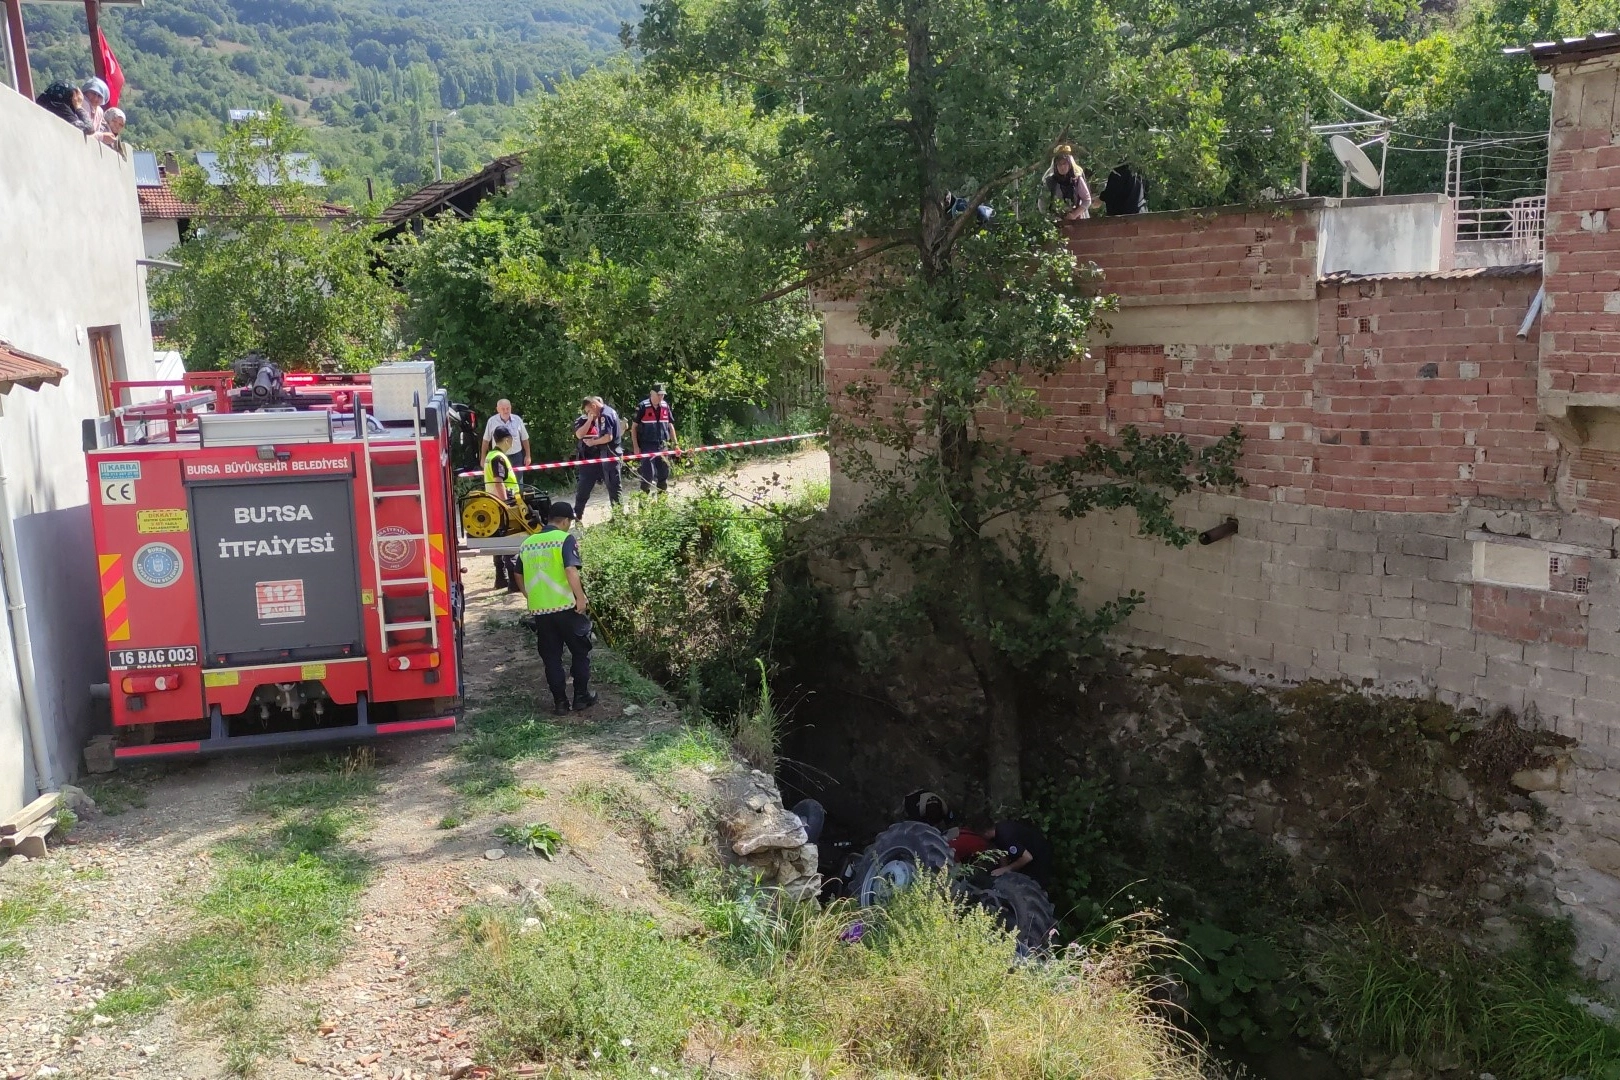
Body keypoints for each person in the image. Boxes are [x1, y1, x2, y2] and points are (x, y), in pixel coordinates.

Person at [517, 502, 597, 715]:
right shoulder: (564, 539)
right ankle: (581, 697)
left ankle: (560, 703)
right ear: (564, 521)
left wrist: (529, 594)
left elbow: (517, 573)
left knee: (551, 657)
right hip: (567, 607)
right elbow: (570, 569)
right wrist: (581, 598)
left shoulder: (528, 543)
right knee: (580, 651)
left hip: (542, 612)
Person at [483, 426, 523, 593]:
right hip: (503, 503)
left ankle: (501, 578)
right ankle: (513, 583)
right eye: (511, 439)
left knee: (499, 541)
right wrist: (507, 504)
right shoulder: (498, 458)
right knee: (510, 542)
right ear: (507, 440)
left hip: (493, 503)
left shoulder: (490, 456)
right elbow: (499, 481)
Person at [572, 396, 622, 522]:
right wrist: (589, 420)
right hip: (589, 460)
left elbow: (609, 436)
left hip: (605, 457)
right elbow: (579, 435)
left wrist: (594, 442)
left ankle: (618, 516)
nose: (590, 413)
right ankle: (577, 515)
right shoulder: (583, 420)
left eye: (590, 410)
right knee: (583, 489)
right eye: (587, 411)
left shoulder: (605, 415)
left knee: (613, 487)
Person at [966, 820, 1053, 886]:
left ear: (985, 832)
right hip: (1031, 853)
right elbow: (1002, 852)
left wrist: (1007, 869)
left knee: (1031, 885)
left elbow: (1027, 857)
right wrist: (1002, 870)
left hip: (1039, 859)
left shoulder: (1005, 837)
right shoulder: (998, 831)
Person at [631, 383, 681, 495]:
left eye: (663, 395)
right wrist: (636, 446)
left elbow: (670, 426)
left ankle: (661, 505)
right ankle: (643, 506)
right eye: (659, 394)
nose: (661, 397)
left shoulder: (665, 406)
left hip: (663, 445)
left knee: (664, 474)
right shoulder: (642, 406)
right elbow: (633, 428)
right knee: (648, 475)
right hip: (647, 445)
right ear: (652, 393)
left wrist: (676, 444)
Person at [1040, 145, 1092, 221]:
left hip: (1077, 222)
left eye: (1065, 163)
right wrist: (1056, 219)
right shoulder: (1050, 182)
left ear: (1069, 164)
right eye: (1059, 164)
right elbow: (1042, 206)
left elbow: (1087, 200)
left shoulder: (1076, 179)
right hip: (1056, 224)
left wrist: (1074, 215)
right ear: (1055, 166)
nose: (1062, 167)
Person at [480, 399, 531, 468]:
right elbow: (486, 441)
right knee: (499, 478)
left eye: (508, 408)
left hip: (516, 457)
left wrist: (528, 456)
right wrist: (483, 458)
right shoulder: (492, 421)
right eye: (503, 409)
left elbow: (525, 438)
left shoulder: (517, 420)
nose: (506, 411)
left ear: (511, 408)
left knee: (516, 479)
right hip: (498, 456)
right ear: (498, 409)